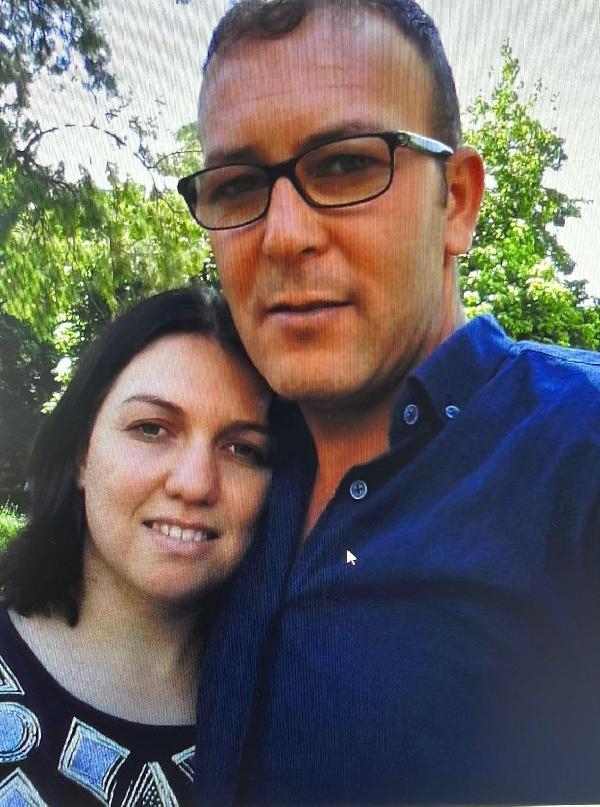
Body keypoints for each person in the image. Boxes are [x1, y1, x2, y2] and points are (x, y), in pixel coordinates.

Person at [176, 0, 600, 803]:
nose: (283, 235)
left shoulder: (578, 451)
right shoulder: (213, 465)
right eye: (237, 185)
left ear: (457, 201)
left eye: (344, 165)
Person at [0, 287, 272, 805]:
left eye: (242, 449)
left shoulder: (295, 726)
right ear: (81, 455)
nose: (195, 484)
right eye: (151, 428)